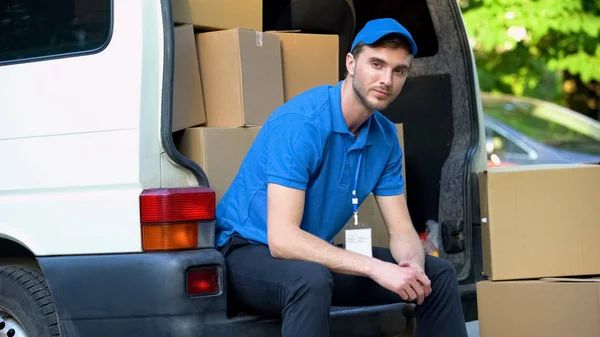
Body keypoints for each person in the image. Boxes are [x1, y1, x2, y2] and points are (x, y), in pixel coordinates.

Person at [215, 18, 468, 337]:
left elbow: (402, 228)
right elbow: (283, 240)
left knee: (437, 275)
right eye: (376, 64)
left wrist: (411, 269)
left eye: (398, 70)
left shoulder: (385, 137)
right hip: (247, 251)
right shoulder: (303, 123)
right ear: (351, 63)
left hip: (311, 254)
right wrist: (378, 269)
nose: (386, 79)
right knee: (311, 280)